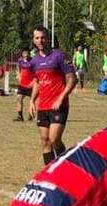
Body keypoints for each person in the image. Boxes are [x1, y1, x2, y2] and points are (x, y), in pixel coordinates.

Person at [28, 26, 76, 166]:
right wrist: (32, 101)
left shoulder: (59, 56)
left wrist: (61, 97)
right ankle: (49, 174)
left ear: (48, 38)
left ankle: (66, 167)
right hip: (43, 106)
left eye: (42, 37)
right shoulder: (34, 61)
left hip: (59, 106)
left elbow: (72, 79)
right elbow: (37, 81)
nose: (40, 40)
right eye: (37, 38)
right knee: (45, 141)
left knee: (54, 139)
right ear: (33, 40)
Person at [14, 49, 34, 122]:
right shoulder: (20, 61)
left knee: (32, 100)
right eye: (24, 53)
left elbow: (36, 72)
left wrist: (34, 82)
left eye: (27, 53)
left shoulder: (33, 62)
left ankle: (31, 115)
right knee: (19, 98)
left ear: (29, 54)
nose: (26, 54)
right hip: (22, 84)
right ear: (22, 53)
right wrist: (18, 75)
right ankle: (20, 116)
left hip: (31, 85)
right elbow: (18, 69)